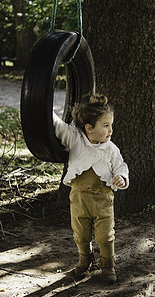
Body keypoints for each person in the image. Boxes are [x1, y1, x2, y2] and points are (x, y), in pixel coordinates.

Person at [52, 94, 129, 284]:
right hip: (79, 199)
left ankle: (107, 265)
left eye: (111, 125)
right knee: (80, 234)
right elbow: (58, 126)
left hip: (103, 200)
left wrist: (121, 177)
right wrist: (41, 104)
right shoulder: (76, 140)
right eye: (105, 126)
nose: (111, 130)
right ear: (89, 128)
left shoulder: (111, 149)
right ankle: (85, 260)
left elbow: (121, 166)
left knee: (105, 235)